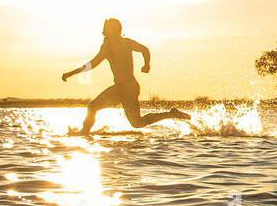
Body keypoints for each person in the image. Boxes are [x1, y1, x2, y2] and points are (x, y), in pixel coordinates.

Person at [61, 18, 190, 134]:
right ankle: (170, 114)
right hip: (127, 87)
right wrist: (146, 65)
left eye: (105, 29)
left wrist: (71, 73)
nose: (102, 31)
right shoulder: (125, 42)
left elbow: (92, 64)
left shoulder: (108, 46)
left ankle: (84, 132)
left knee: (95, 108)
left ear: (112, 30)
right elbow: (145, 50)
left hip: (125, 87)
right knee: (136, 122)